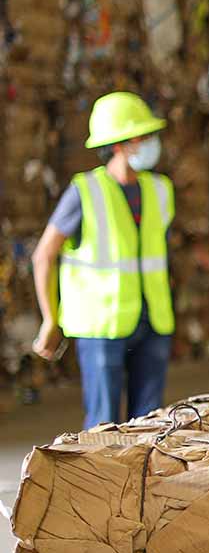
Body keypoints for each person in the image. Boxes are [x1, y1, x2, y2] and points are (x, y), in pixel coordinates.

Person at [30, 92, 175, 430]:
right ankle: (99, 484)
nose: (152, 143)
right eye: (144, 136)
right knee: (104, 426)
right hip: (101, 325)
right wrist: (50, 318)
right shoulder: (85, 191)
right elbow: (44, 254)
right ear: (121, 143)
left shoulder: (161, 190)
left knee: (150, 424)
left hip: (152, 320)